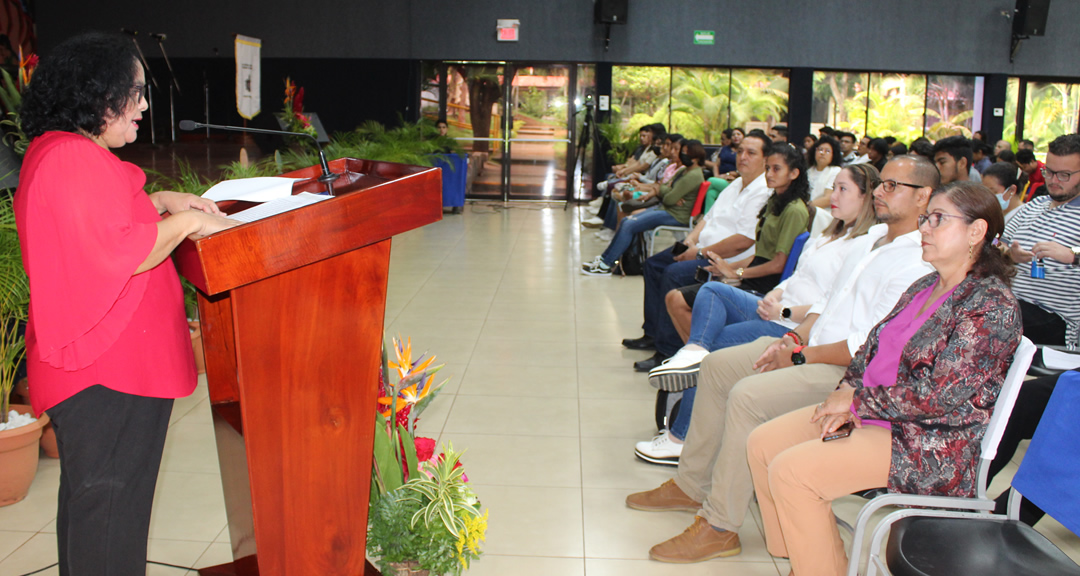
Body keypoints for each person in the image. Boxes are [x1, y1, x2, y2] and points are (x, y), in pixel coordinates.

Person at [625, 156, 938, 563]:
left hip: (847, 372)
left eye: (892, 186)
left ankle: (720, 525)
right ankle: (690, 484)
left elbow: (868, 344)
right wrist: (792, 338)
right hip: (812, 346)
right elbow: (827, 304)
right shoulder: (871, 240)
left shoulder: (917, 259)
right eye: (881, 184)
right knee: (718, 366)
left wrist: (801, 355)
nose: (880, 191)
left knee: (748, 396)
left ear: (924, 197)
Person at [13, 32, 240, 575]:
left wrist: (160, 201)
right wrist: (188, 221)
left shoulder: (67, 150)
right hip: (107, 377)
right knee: (111, 515)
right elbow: (119, 253)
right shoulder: (70, 157)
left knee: (99, 510)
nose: (143, 105)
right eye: (134, 92)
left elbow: (99, 221)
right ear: (97, 95)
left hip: (111, 371)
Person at [747, 180, 1022, 576]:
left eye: (938, 219)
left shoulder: (990, 306)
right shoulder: (925, 284)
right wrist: (845, 390)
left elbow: (938, 397)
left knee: (792, 473)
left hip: (928, 441)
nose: (924, 228)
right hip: (878, 414)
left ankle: (816, 564)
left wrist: (856, 402)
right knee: (763, 444)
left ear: (976, 232)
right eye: (926, 218)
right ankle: (813, 557)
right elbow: (871, 348)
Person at [636, 164, 880, 465]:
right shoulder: (829, 235)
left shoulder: (861, 247)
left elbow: (831, 302)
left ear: (866, 198)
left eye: (844, 189)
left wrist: (784, 309)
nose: (833, 195)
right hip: (775, 306)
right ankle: (692, 350)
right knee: (712, 293)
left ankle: (680, 437)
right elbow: (796, 277)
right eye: (835, 187)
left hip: (795, 325)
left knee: (715, 352)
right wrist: (776, 295)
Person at [622, 133, 772, 371]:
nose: (742, 157)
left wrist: (700, 252)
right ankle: (652, 332)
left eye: (751, 153)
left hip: (723, 259)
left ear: (766, 160)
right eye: (740, 151)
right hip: (701, 247)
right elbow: (708, 218)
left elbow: (743, 241)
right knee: (653, 265)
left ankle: (668, 350)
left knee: (673, 273)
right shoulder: (735, 183)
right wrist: (690, 241)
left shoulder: (763, 191)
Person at [582, 139, 705, 275]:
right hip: (666, 209)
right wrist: (665, 190)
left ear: (696, 157)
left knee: (629, 224)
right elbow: (663, 186)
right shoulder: (684, 172)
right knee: (627, 221)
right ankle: (606, 259)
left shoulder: (693, 176)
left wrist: (664, 190)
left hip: (675, 215)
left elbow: (669, 198)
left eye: (686, 153)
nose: (682, 155)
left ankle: (606, 265)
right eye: (682, 152)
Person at [1003, 133, 1080, 347]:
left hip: (1055, 318)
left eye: (1064, 175)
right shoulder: (1032, 206)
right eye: (1050, 172)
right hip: (1013, 304)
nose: (1054, 181)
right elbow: (997, 246)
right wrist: (1011, 254)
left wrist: (1072, 255)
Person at [806, 135, 843, 208]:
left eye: (827, 151)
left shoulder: (835, 171)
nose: (822, 153)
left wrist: (804, 208)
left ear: (834, 154)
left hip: (824, 213)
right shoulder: (809, 171)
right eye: (820, 149)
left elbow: (828, 199)